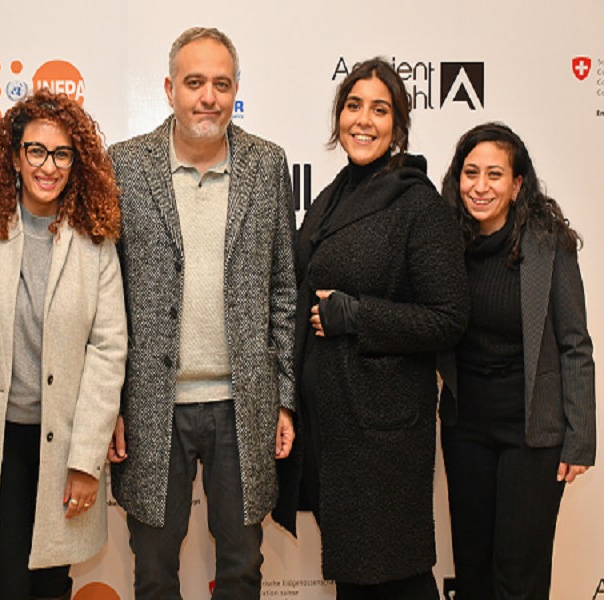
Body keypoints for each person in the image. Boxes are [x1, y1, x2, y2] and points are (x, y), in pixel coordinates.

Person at [107, 26, 297, 600]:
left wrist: (284, 397)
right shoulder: (125, 165)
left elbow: (283, 290)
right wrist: (111, 406)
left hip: (244, 403)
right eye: (194, 83)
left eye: (221, 83)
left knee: (241, 566)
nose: (208, 97)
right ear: (169, 89)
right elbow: (106, 298)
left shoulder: (267, 164)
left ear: (236, 89)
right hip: (151, 404)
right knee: (153, 569)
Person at [274, 57, 469, 599]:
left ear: (398, 125)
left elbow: (448, 318)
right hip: (334, 427)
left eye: (379, 110)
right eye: (353, 106)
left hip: (383, 435)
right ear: (339, 116)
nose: (363, 120)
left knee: (396, 578)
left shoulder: (418, 204)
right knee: (358, 581)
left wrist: (358, 316)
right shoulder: (334, 195)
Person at [0, 88, 127, 600]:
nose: (48, 166)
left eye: (62, 154)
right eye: (36, 150)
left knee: (52, 586)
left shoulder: (96, 245)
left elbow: (108, 354)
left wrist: (86, 461)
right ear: (15, 157)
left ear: (75, 164)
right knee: (5, 586)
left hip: (64, 450)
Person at [438, 122, 596, 599]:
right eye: (470, 173)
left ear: (517, 184)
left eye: (495, 174)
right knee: (473, 568)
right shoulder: (445, 245)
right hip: (466, 426)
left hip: (533, 429)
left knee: (518, 575)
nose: (480, 186)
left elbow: (575, 342)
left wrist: (580, 438)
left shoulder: (548, 244)